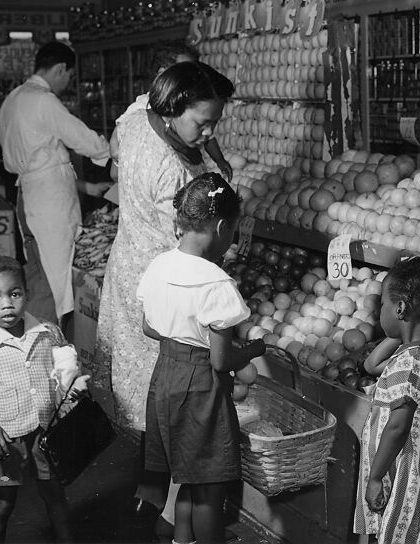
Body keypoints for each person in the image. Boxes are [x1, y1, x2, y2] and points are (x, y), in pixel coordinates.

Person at [94, 61, 235, 520]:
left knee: (146, 398)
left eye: (215, 121)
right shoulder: (171, 173)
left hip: (132, 271)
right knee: (172, 401)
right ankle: (174, 514)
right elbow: (194, 245)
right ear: (174, 108)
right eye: (202, 122)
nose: (209, 131)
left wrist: (208, 143)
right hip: (166, 288)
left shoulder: (139, 119)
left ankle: (150, 493)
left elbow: (134, 113)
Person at [137, 173, 265, 544]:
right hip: (200, 389)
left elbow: (148, 327)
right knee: (209, 489)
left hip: (165, 377)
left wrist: (180, 334)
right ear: (223, 226)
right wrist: (254, 350)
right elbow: (222, 362)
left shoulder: (159, 265)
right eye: (234, 231)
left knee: (185, 476)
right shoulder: (217, 283)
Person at [0, 41, 112, 324]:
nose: (68, 82)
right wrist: (110, 151)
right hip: (49, 203)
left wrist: (84, 186)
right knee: (54, 277)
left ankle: (28, 342)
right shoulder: (43, 99)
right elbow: (78, 136)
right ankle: (46, 349)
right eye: (69, 75)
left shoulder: (13, 98)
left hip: (26, 195)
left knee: (37, 272)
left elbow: (42, 157)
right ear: (61, 69)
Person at [0, 256, 88, 544]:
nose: (6, 303)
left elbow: (63, 370)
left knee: (55, 496)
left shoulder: (47, 331)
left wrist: (71, 389)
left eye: (14, 294)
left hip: (46, 433)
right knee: (1, 506)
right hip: (5, 439)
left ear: (26, 294)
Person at [354, 257, 420, 544]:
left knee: (398, 531)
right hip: (412, 467)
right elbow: (372, 365)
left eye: (383, 305)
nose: (379, 312)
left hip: (399, 469)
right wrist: (402, 332)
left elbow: (398, 426)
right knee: (417, 531)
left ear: (399, 308)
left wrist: (375, 477)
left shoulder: (410, 364)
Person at [110, 41, 233, 183]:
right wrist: (124, 161)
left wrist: (219, 160)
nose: (194, 79)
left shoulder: (191, 109)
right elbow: (118, 138)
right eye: (185, 73)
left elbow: (208, 137)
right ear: (163, 74)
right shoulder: (141, 108)